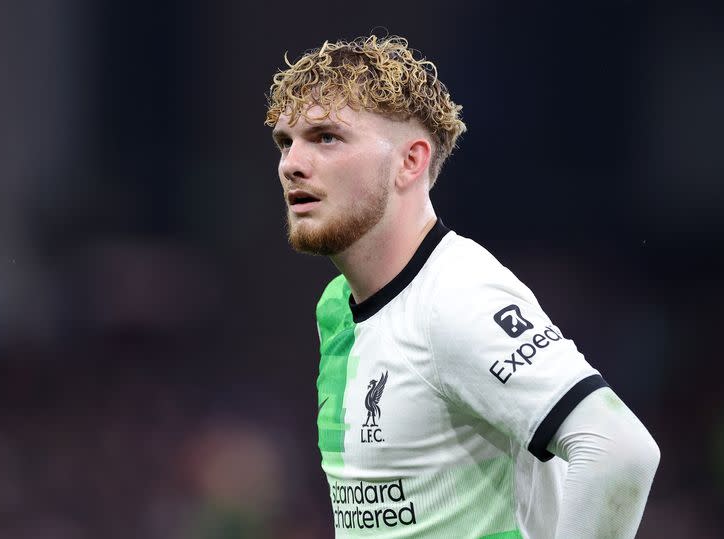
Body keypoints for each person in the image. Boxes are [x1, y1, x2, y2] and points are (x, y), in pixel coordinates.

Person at [265, 35, 660, 538]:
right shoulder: (337, 307)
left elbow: (618, 449)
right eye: (285, 141)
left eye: (326, 138)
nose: (291, 164)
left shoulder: (456, 296)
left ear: (411, 161)